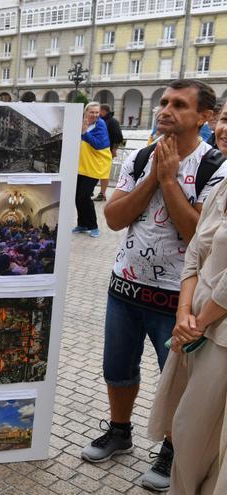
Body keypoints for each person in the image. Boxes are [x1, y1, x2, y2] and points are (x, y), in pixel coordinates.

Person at [83, 80, 227, 493]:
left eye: (179, 105)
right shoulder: (144, 155)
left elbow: (198, 235)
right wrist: (154, 176)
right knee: (118, 368)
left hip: (179, 300)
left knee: (177, 379)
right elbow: (113, 217)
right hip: (125, 288)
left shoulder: (215, 166)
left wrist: (170, 181)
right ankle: (119, 430)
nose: (165, 110)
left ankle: (171, 448)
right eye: (163, 102)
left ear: (204, 117)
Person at [148, 102, 227, 495]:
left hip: (218, 332)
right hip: (195, 325)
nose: (226, 129)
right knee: (185, 429)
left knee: (203, 435)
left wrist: (199, 320)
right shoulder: (222, 186)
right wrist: (183, 312)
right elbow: (196, 250)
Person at [75, 102, 111, 238]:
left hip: (95, 166)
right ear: (85, 112)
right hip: (81, 165)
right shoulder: (79, 122)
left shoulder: (100, 124)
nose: (95, 115)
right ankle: (82, 224)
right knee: (77, 196)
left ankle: (93, 226)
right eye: (92, 112)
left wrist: (84, 133)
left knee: (85, 196)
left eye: (97, 112)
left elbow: (98, 144)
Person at [96, 104, 124, 201]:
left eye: (98, 111)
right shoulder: (102, 120)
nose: (97, 113)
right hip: (98, 151)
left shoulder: (112, 121)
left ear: (104, 111)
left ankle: (102, 194)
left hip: (107, 151)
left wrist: (114, 150)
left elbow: (119, 137)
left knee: (104, 172)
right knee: (97, 171)